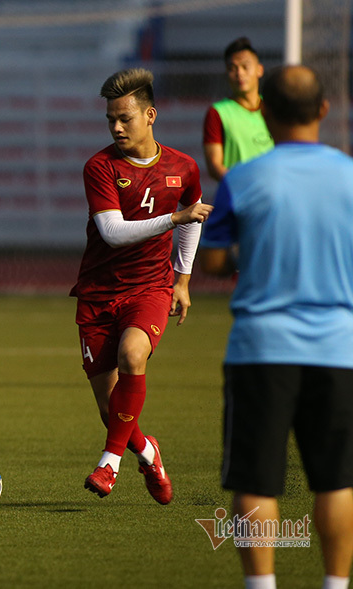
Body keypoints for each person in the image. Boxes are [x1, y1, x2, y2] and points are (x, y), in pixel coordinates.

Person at [200, 65, 353, 589]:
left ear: (265, 112)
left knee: (257, 482)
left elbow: (215, 262)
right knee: (336, 481)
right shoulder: (349, 176)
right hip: (339, 349)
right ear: (324, 111)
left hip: (261, 348)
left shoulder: (242, 179)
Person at [72, 68, 213, 504]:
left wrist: (183, 280)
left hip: (149, 288)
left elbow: (194, 220)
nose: (116, 126)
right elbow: (114, 232)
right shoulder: (99, 167)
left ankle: (108, 465)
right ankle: (148, 452)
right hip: (97, 293)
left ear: (150, 115)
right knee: (108, 409)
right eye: (111, 118)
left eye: (125, 118)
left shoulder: (183, 167)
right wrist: (173, 219)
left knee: (134, 353)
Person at [203, 37, 274, 182]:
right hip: (239, 200)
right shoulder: (218, 113)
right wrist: (242, 187)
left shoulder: (274, 107)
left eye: (245, 66)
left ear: (259, 70)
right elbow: (214, 165)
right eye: (232, 68)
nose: (239, 73)